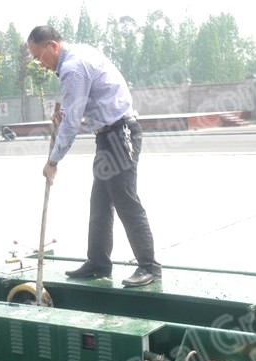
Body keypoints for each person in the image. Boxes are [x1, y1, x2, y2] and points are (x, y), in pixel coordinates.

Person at [27, 25, 162, 288]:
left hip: (120, 134)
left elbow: (72, 122)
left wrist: (53, 161)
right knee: (100, 201)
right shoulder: (80, 53)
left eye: (38, 56)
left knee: (125, 200)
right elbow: (91, 110)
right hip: (109, 133)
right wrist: (71, 118)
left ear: (52, 46)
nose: (39, 64)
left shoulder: (73, 68)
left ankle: (150, 267)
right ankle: (98, 263)